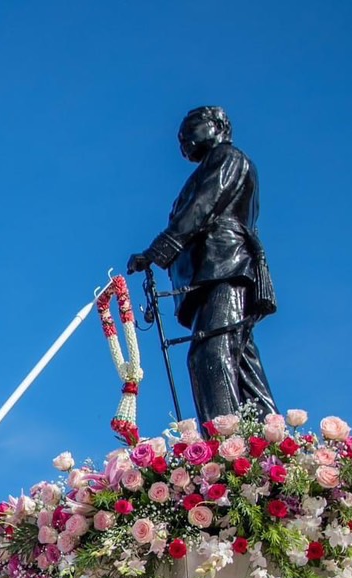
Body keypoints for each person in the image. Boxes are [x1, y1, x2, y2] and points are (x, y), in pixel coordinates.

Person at [128, 105, 278, 424]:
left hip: (225, 265)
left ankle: (226, 442)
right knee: (239, 361)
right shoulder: (211, 165)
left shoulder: (229, 158)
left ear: (215, 124)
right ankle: (270, 439)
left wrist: (157, 251)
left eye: (191, 128)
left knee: (210, 354)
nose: (183, 138)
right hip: (211, 271)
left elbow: (202, 206)